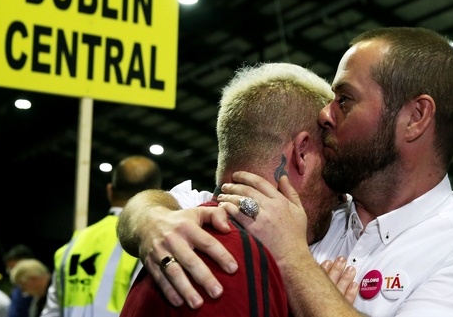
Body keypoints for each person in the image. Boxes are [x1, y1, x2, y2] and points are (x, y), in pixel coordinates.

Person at [117, 27, 453, 316]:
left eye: (344, 100)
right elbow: (183, 203)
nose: (325, 114)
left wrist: (294, 261)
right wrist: (154, 220)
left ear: (416, 117)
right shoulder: (318, 210)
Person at [119, 63, 356, 316]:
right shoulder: (199, 243)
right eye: (329, 163)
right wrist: (151, 219)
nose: (340, 195)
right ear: (301, 152)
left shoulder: (189, 223)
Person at [40, 155, 162, 317]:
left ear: (110, 190)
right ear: (157, 194)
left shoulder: (70, 246)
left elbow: (51, 313)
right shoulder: (152, 242)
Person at [3, 245, 35, 317]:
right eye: (9, 268)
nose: (11, 272)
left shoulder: (39, 288)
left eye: (14, 268)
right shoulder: (17, 289)